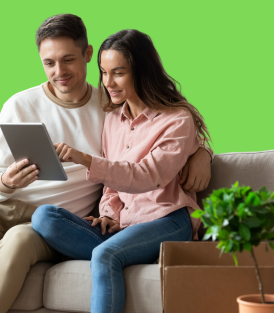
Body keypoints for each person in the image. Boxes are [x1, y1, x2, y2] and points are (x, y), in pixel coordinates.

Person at [0, 15, 213, 313]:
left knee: (23, 238)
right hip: (5, 207)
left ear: (87, 54)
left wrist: (202, 153)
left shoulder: (106, 106)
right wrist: (5, 183)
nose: (59, 71)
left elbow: (163, 141)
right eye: (49, 63)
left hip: (55, 220)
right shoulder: (25, 105)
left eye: (68, 60)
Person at [32, 29, 211, 313]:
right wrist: (108, 215)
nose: (108, 83)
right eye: (103, 72)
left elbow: (147, 175)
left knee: (105, 255)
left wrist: (86, 160)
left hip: (168, 218)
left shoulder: (177, 119)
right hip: (126, 226)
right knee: (44, 217)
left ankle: (122, 252)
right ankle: (130, 251)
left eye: (118, 73)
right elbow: (112, 186)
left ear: (141, 71)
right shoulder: (113, 119)